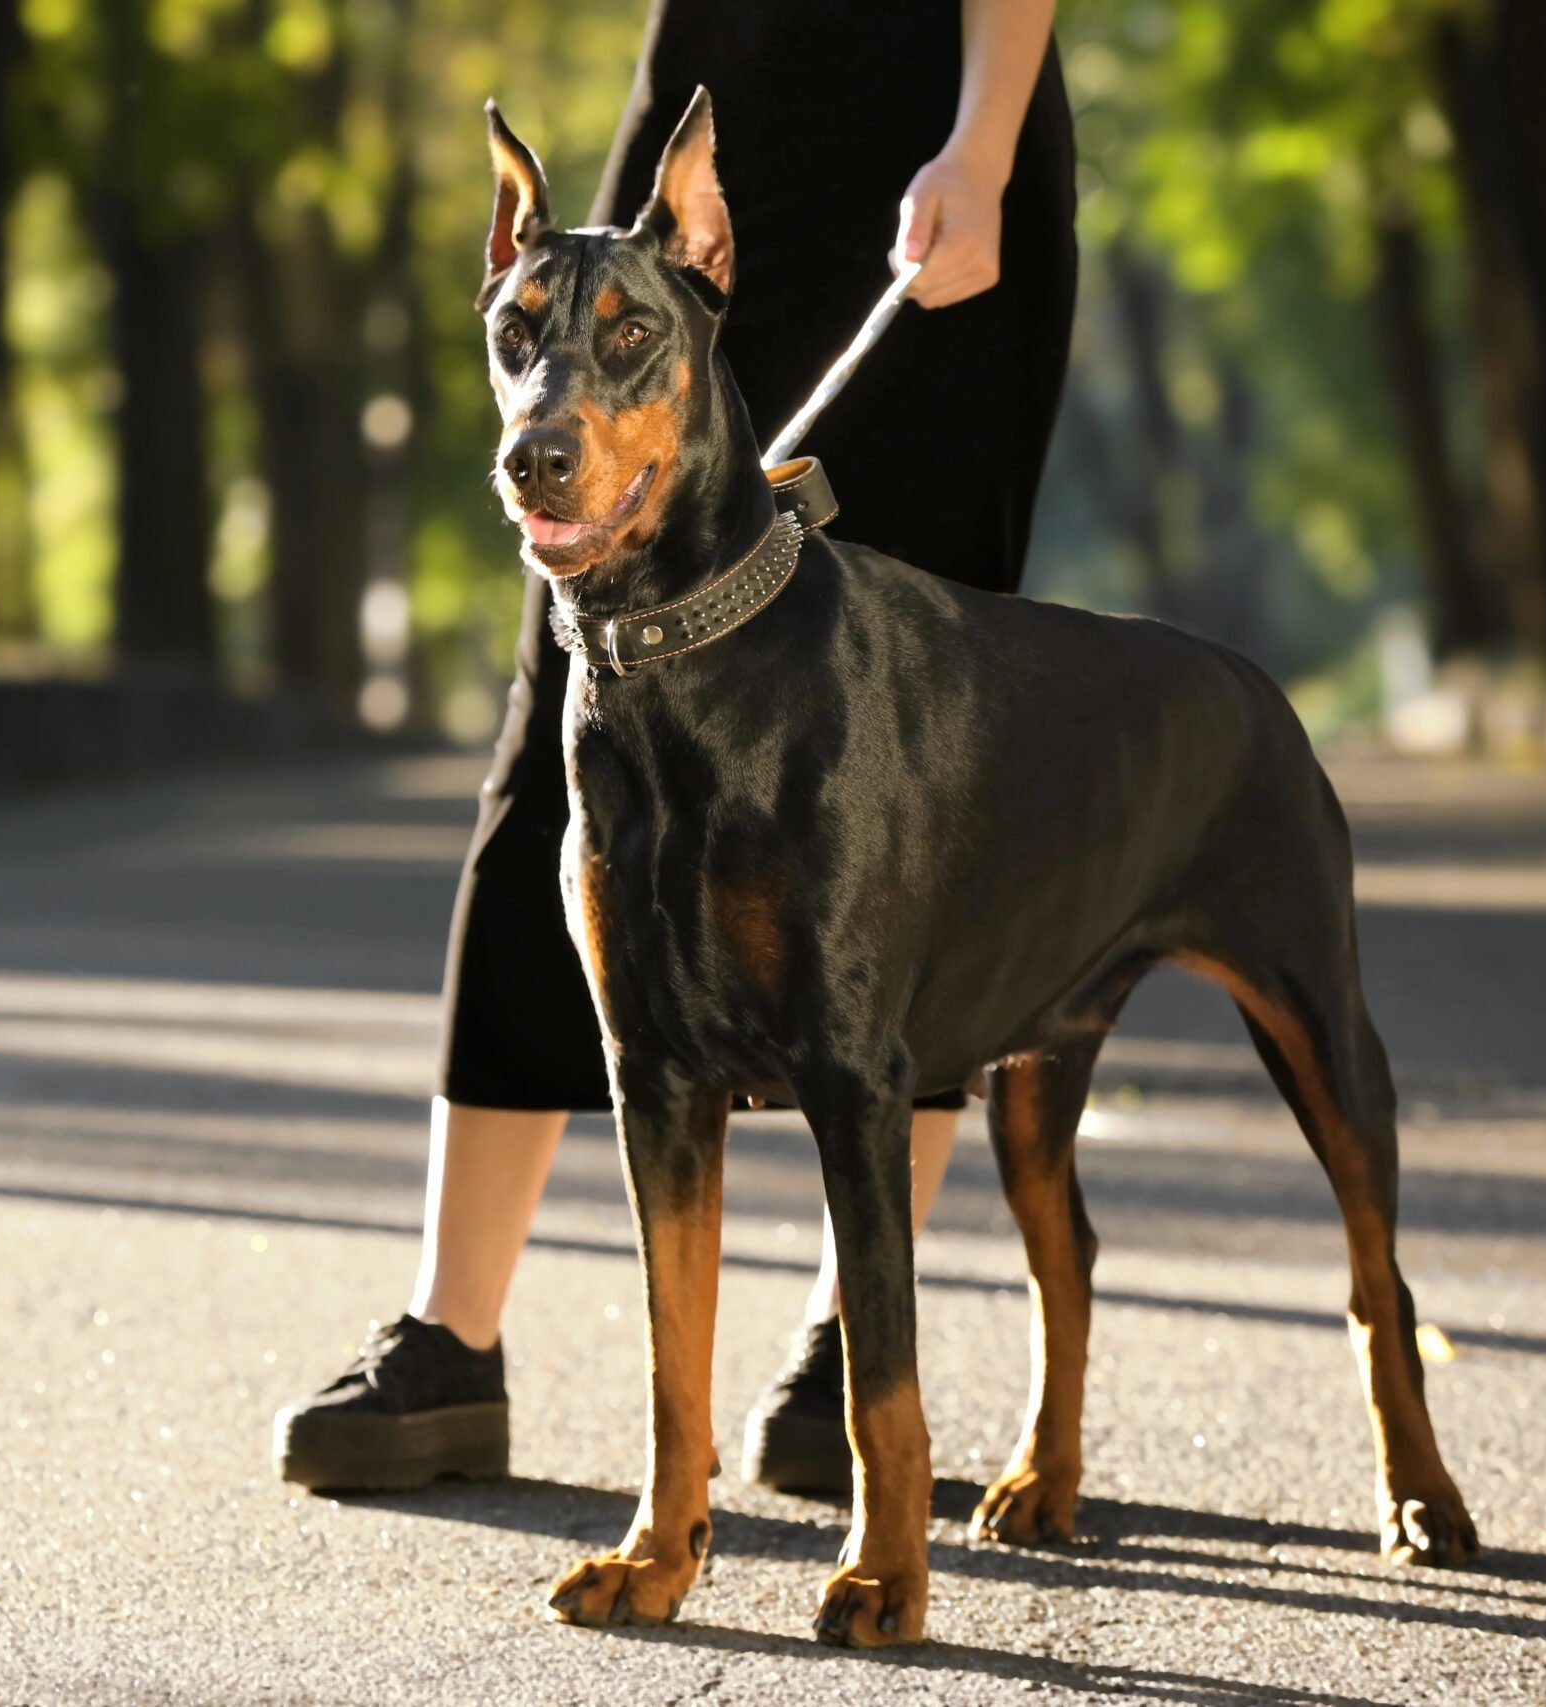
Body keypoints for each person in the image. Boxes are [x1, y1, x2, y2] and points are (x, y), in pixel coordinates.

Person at [275, 0, 1078, 1496]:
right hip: (707, 99)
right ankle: (453, 1335)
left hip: (934, 135)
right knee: (567, 732)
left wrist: (987, 133)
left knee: (903, 751)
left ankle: (855, 1345)